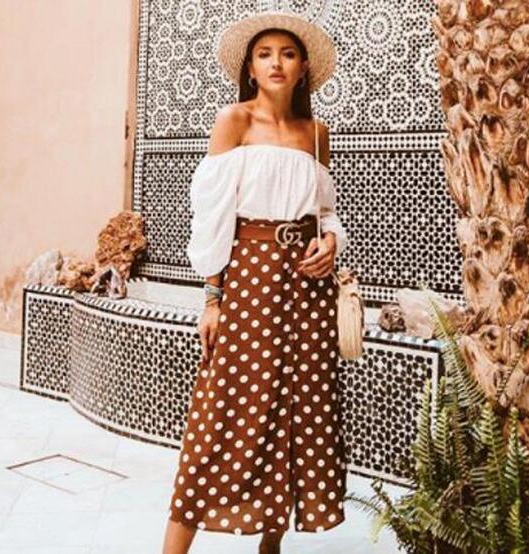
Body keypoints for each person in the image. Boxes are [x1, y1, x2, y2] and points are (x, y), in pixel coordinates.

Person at [162, 11, 348, 554]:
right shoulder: (234, 121)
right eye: (264, 54)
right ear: (249, 68)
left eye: (287, 54)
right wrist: (212, 297)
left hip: (309, 289)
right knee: (223, 411)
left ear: (303, 67)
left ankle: (271, 546)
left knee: (301, 408)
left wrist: (331, 241)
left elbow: (326, 210)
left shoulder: (317, 134)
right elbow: (214, 216)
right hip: (250, 281)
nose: (276, 63)